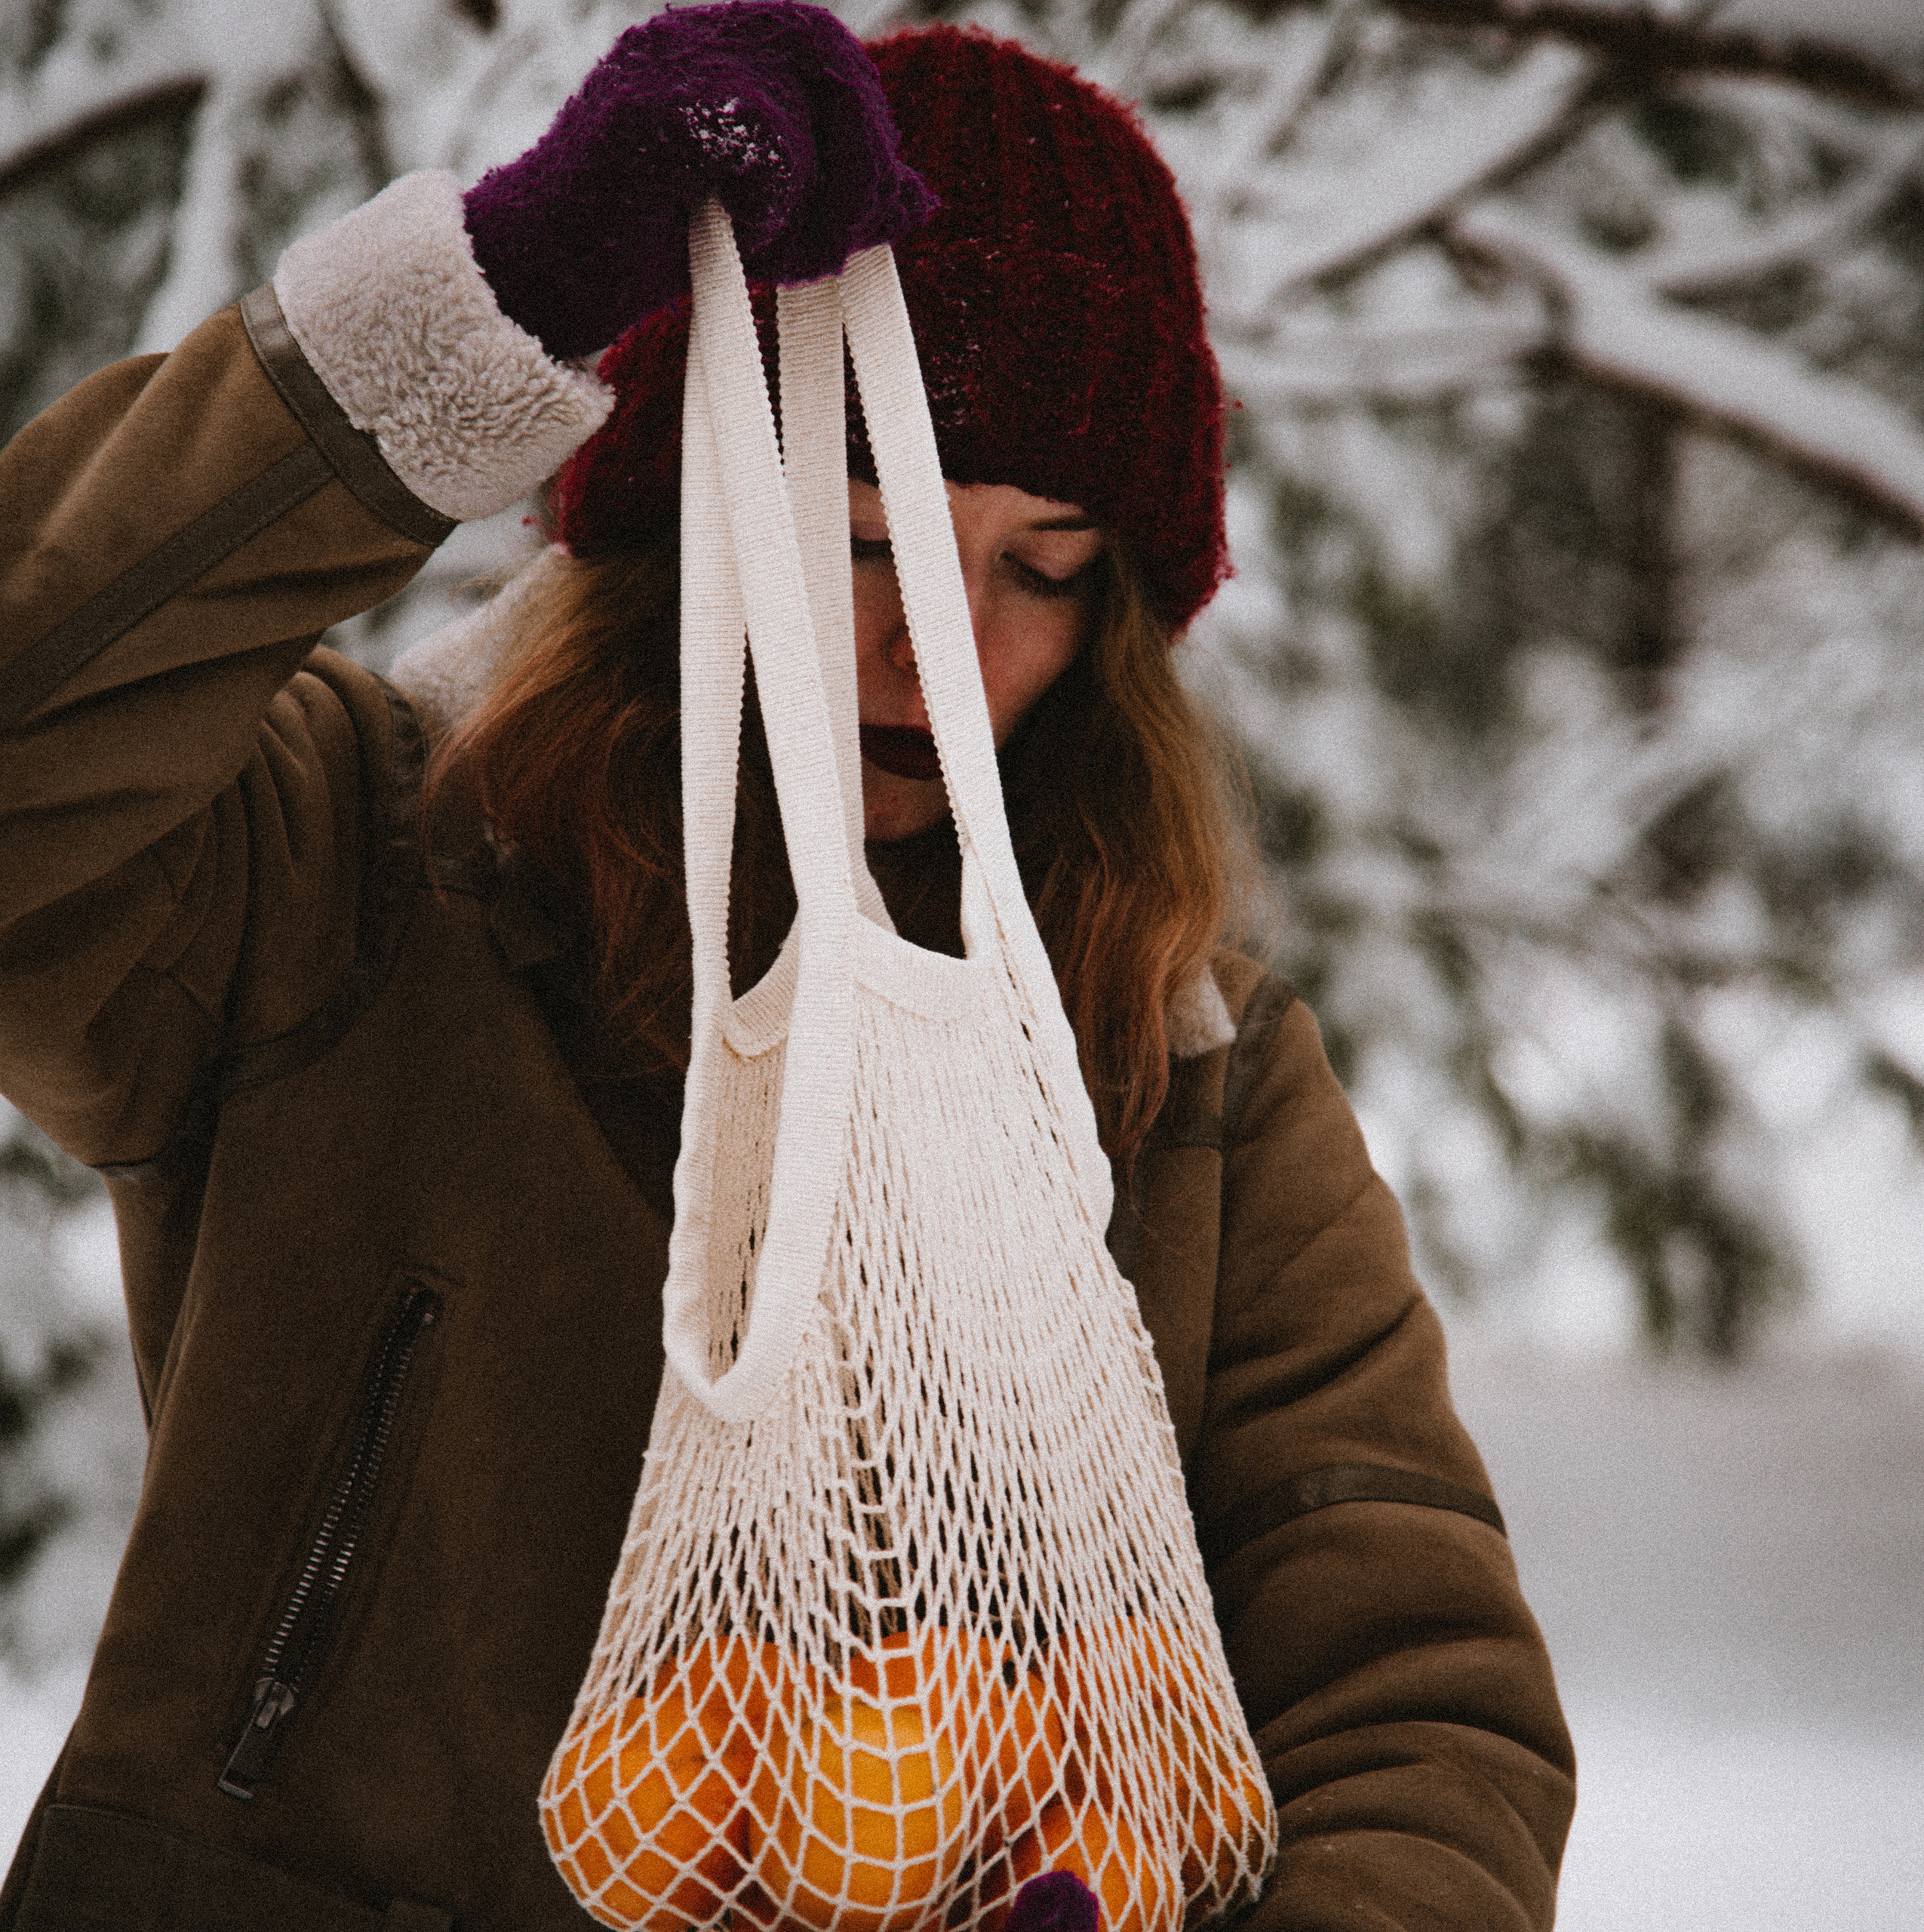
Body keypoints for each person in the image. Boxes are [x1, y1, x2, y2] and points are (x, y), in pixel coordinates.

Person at [0, 8, 1574, 1930]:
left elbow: (1417, 1703)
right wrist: (480, 306)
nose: (945, 646)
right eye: (859, 534)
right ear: (681, 516)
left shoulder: (1192, 1077)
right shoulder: (347, 878)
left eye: (1047, 566)